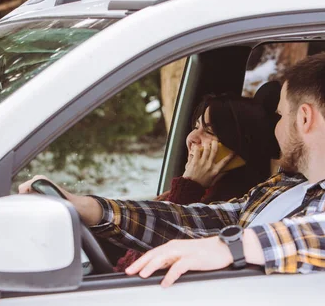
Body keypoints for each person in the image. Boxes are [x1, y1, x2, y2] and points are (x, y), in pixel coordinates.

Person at [19, 51, 325, 288]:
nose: (274, 129)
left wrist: (231, 248)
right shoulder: (284, 188)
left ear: (305, 118)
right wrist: (93, 208)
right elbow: (200, 220)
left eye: (280, 116)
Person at [114, 93, 277, 272]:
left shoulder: (230, 208)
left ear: (240, 146)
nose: (192, 137)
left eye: (209, 131)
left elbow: (141, 264)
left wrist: (188, 187)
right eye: (196, 126)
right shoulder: (203, 190)